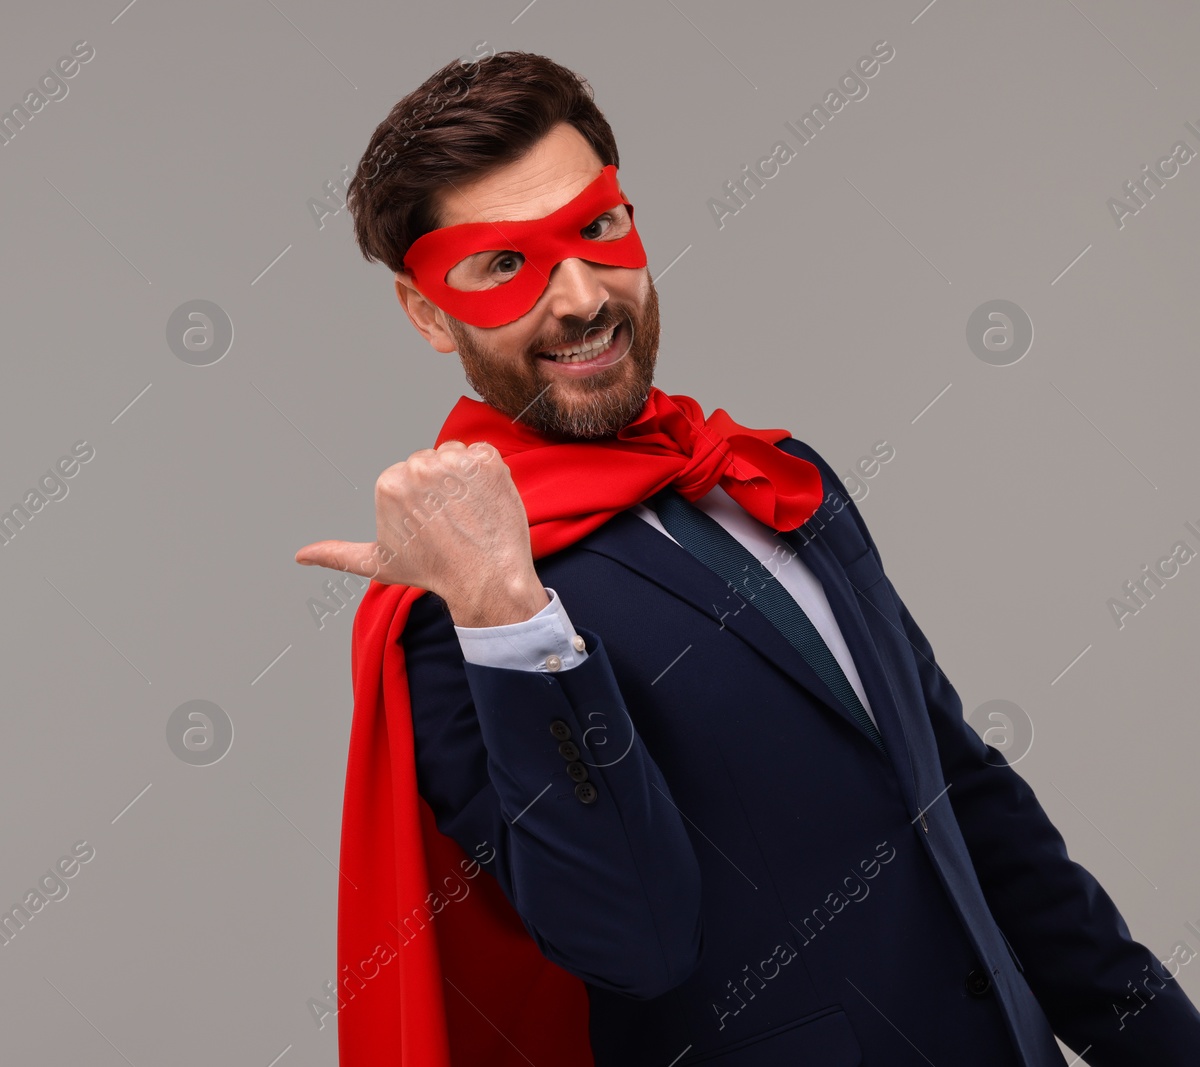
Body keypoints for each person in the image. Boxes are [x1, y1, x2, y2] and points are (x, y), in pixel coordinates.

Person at [294, 50, 1200, 1066]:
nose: (581, 296)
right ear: (428, 312)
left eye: (596, 228)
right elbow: (630, 938)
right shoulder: (458, 609)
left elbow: (962, 792)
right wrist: (510, 614)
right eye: (505, 265)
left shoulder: (770, 477)